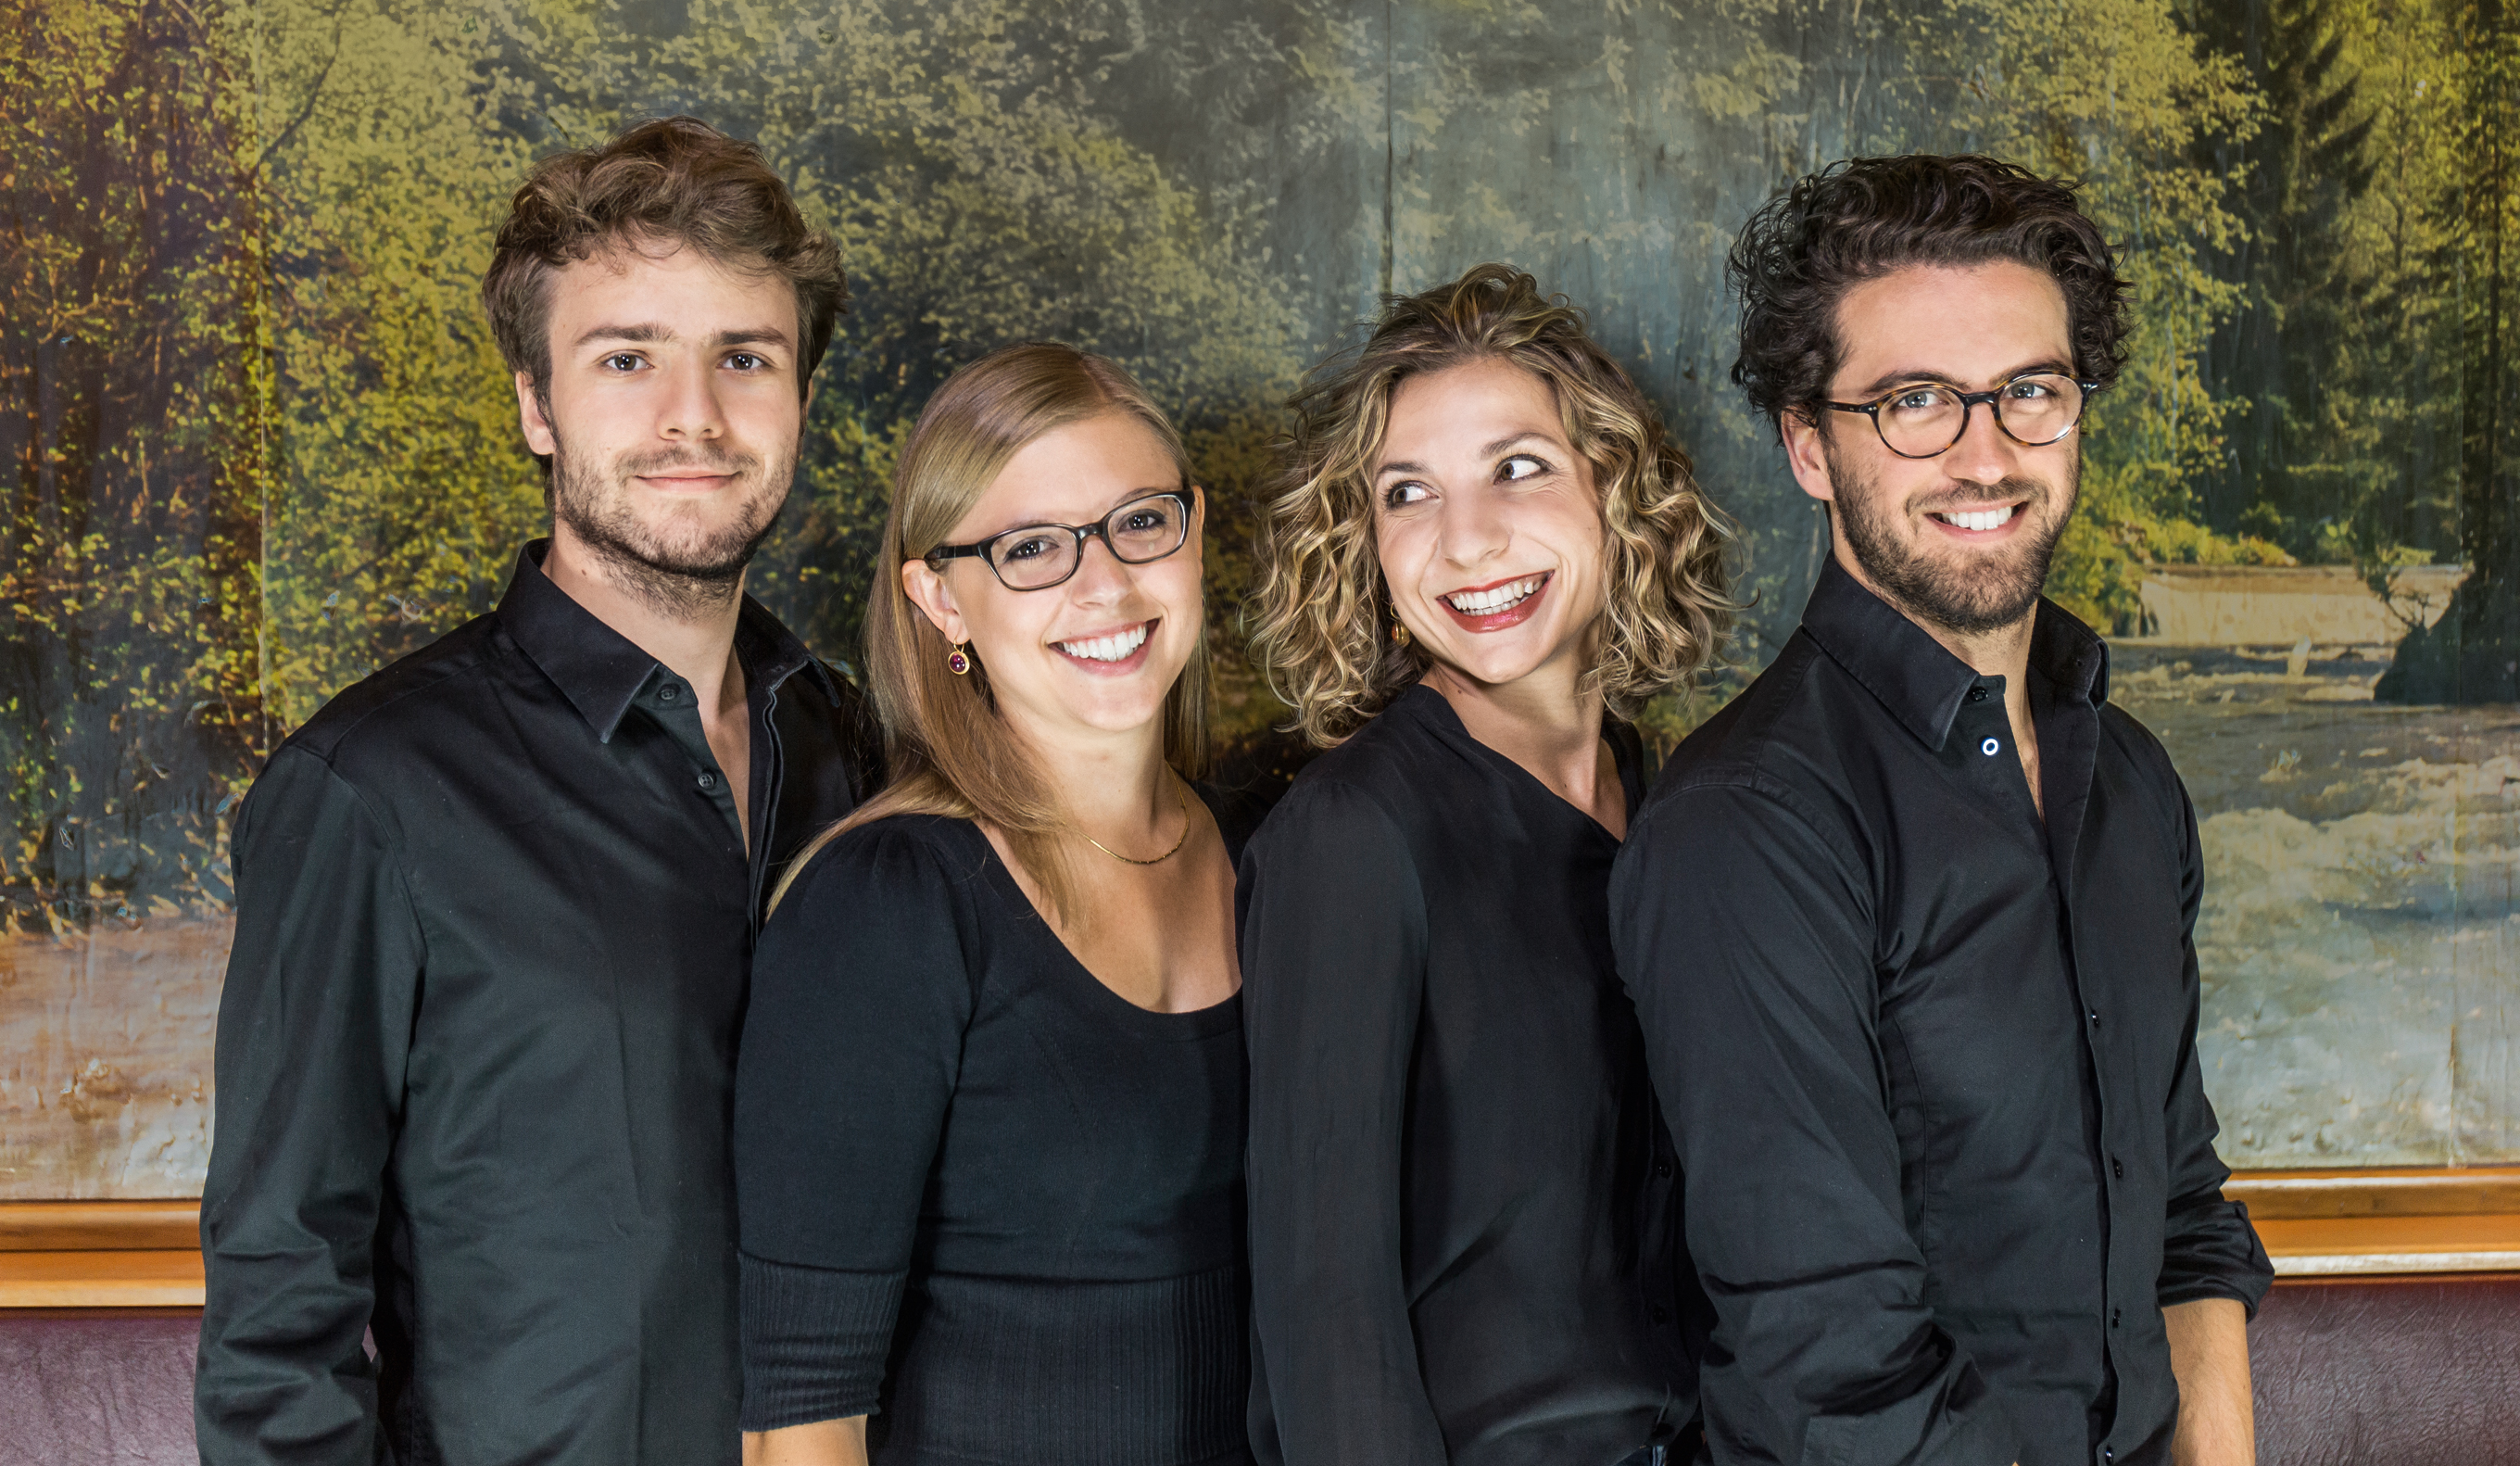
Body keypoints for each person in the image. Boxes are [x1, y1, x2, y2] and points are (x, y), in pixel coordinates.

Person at [195, 118, 875, 1463]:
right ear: (535, 406)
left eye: (745, 357)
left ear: (799, 397)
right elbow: (279, 1316)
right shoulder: (370, 791)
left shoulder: (861, 754)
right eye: (627, 358)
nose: (695, 415)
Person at [1611, 155, 2275, 1466]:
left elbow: (2185, 1218)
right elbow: (1836, 1370)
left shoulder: (2129, 779)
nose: (1987, 453)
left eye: (2031, 391)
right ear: (1811, 446)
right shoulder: (1745, 827)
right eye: (1915, 401)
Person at [1238, 265, 1732, 1466]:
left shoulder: (1671, 802)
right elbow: (1326, 1313)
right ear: (1365, 544)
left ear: (1613, 487)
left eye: (1517, 468)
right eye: (1408, 493)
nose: (1466, 541)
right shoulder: (1352, 835)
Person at [733, 342, 1247, 1466]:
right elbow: (798, 1428)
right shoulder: (891, 905)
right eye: (1030, 549)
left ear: (1194, 530)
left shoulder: (1268, 854)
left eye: (1140, 523)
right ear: (939, 598)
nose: (1104, 585)